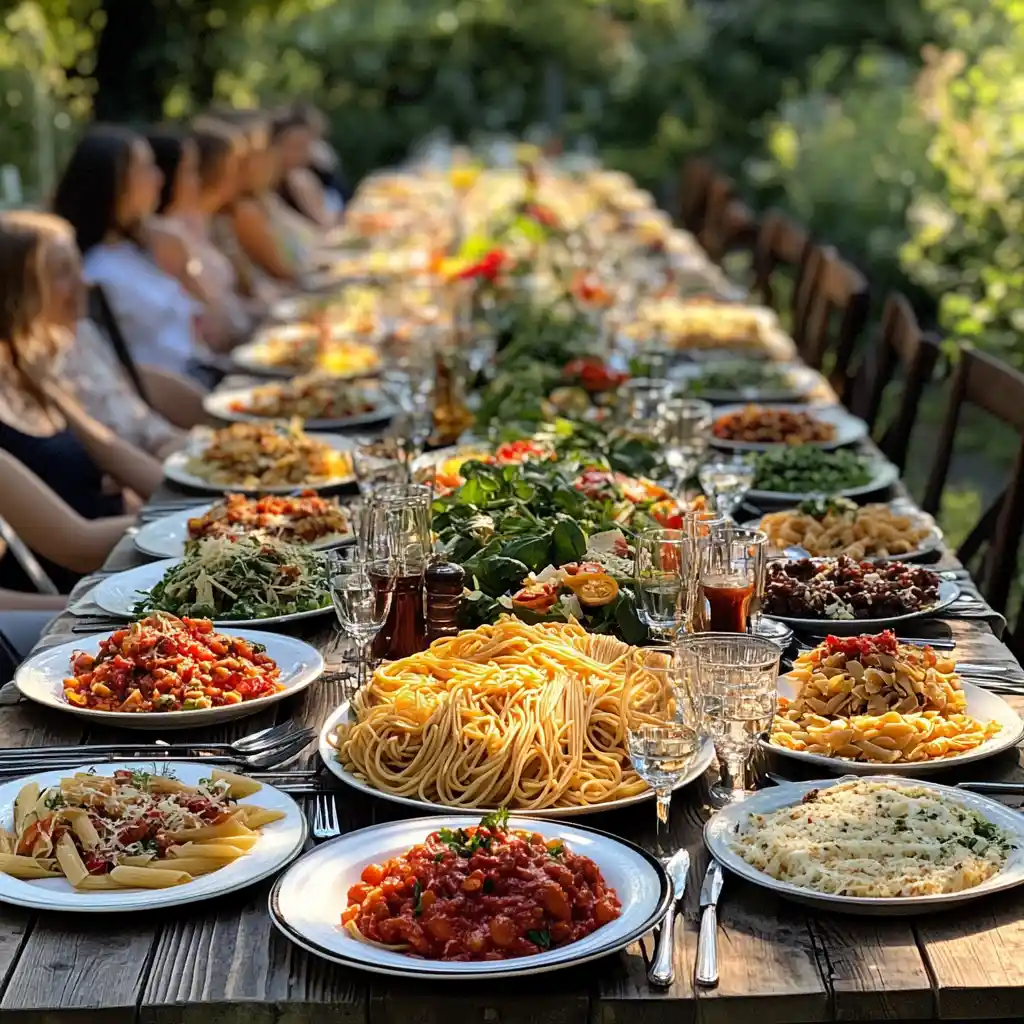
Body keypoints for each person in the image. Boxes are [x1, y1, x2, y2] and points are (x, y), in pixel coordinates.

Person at [0, 210, 163, 596]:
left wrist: (219, 502)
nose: (83, 282)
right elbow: (79, 546)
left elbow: (114, 453)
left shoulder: (30, 371)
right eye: (61, 271)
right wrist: (198, 519)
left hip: (122, 572)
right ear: (13, 287)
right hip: (88, 594)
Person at [52, 125, 203, 375]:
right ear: (113, 182)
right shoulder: (94, 273)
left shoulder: (136, 249)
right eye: (144, 169)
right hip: (172, 395)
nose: (159, 178)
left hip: (198, 373)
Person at [147, 127, 253, 347]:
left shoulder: (192, 223)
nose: (196, 181)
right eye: (189, 171)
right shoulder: (164, 239)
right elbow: (210, 320)